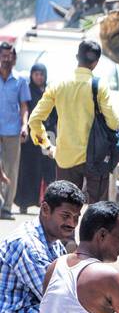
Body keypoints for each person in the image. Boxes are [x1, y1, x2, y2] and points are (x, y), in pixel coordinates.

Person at [0, 181, 86, 313]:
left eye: (76, 218)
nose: (72, 224)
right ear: (45, 209)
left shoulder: (53, 242)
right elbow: (58, 297)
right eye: (65, 216)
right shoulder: (27, 245)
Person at [29, 39, 119, 204]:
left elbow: (34, 120)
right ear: (96, 62)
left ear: (77, 57)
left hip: (65, 157)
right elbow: (114, 123)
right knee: (97, 211)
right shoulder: (99, 86)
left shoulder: (58, 84)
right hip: (95, 157)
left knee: (65, 210)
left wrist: (47, 146)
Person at [15, 63, 56, 214]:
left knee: (48, 169)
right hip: (32, 135)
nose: (39, 77)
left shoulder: (50, 91)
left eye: (41, 74)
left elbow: (55, 113)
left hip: (48, 135)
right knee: (28, 168)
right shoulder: (28, 91)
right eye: (36, 74)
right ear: (32, 75)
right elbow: (25, 109)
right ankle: (23, 202)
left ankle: (47, 203)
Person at [0, 41, 31, 218]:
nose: (6, 59)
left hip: (12, 130)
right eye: (3, 56)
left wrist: (24, 125)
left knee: (11, 169)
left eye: (9, 56)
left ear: (13, 58)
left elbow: (24, 106)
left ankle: (6, 206)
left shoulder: (20, 80)